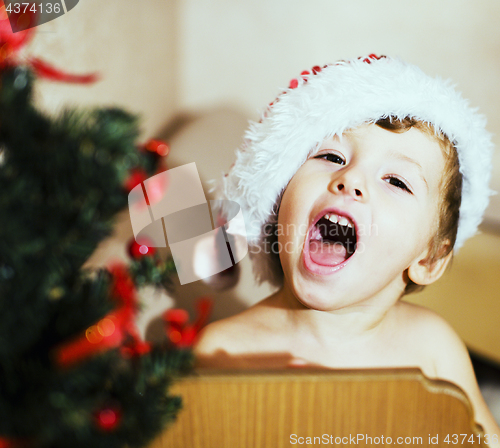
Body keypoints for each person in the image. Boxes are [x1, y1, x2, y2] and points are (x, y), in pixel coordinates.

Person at [194, 55, 500, 439]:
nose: (350, 177)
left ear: (429, 258)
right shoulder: (225, 352)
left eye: (396, 181)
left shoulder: (431, 348)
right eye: (331, 156)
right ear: (277, 207)